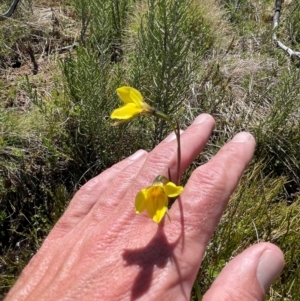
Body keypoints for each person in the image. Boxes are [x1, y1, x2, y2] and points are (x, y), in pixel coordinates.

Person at [5, 114, 284, 301]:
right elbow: (152, 204)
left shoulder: (162, 191)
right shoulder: (154, 194)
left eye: (155, 192)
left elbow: (161, 200)